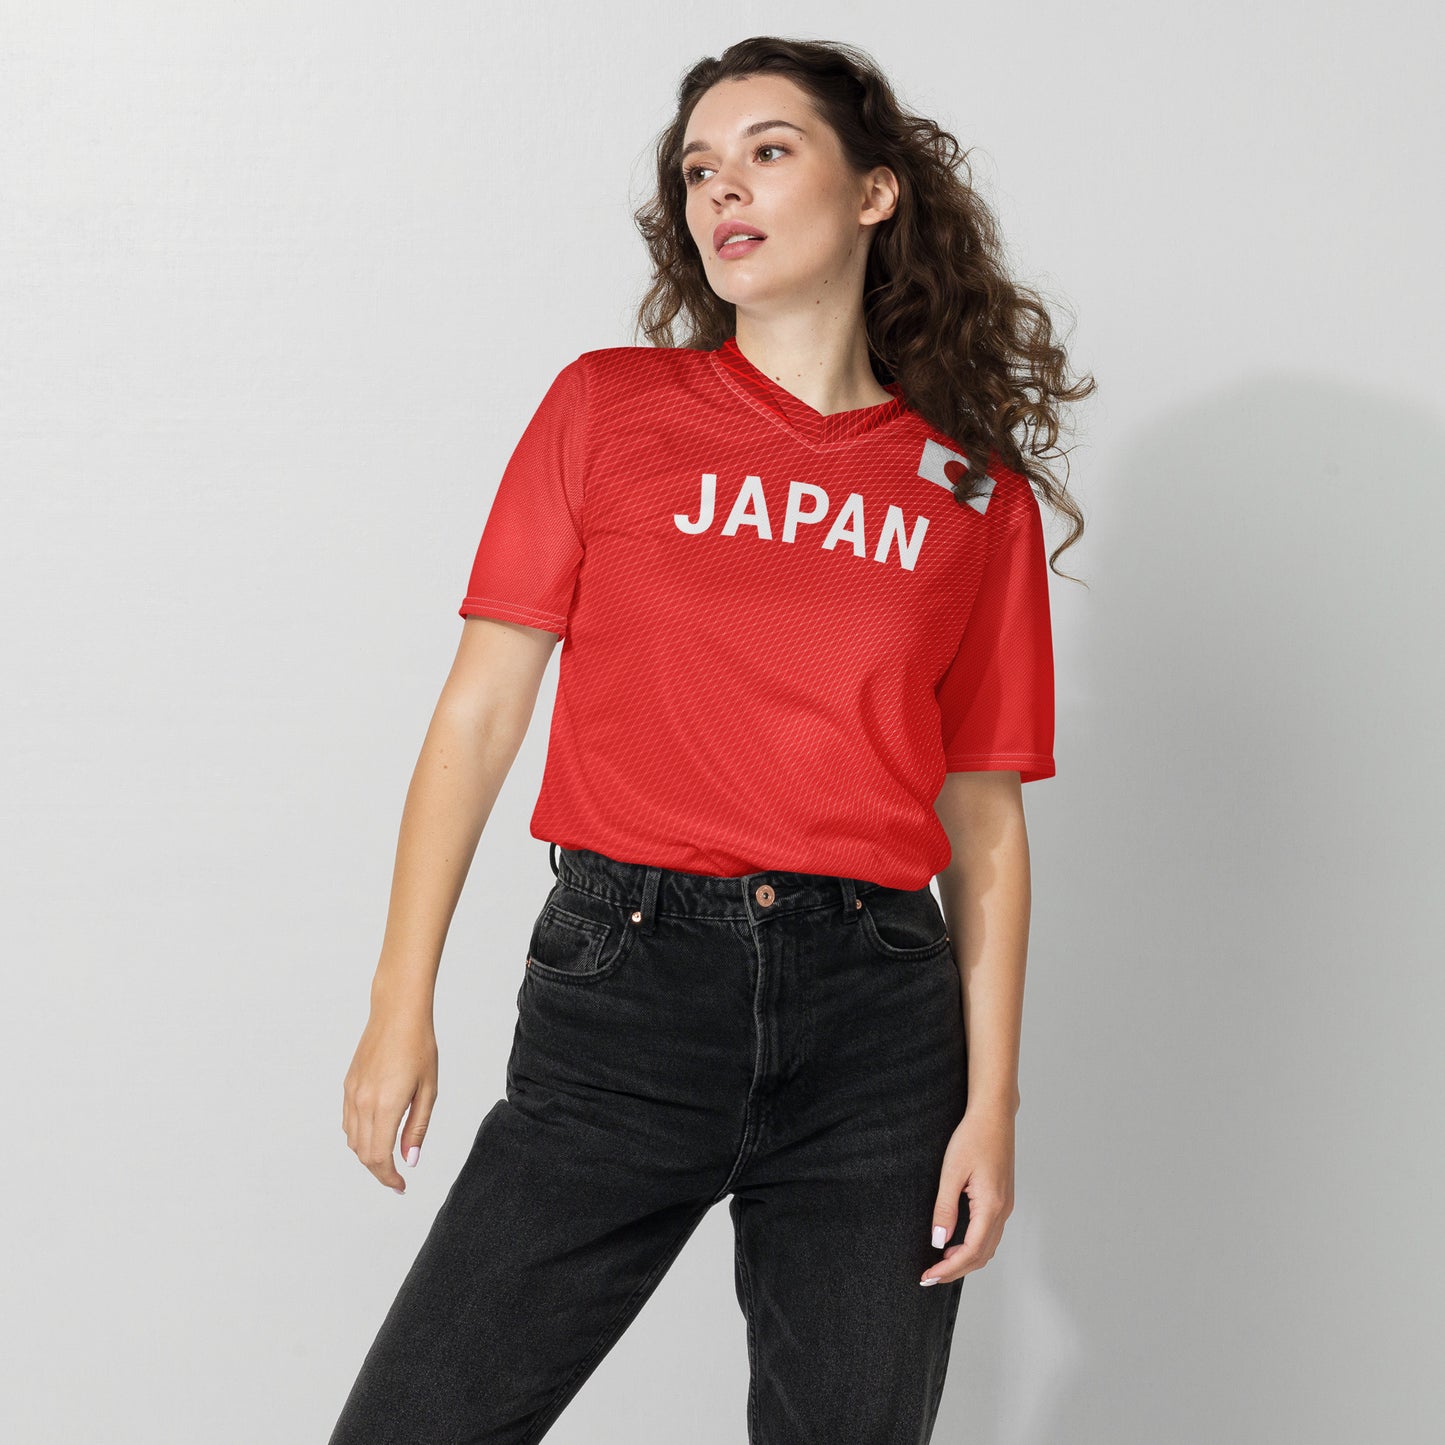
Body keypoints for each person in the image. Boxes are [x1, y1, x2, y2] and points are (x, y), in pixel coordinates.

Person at [328, 34, 1092, 1445]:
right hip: (627, 987)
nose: (720, 189)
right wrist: (399, 996)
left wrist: (990, 1102)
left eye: (767, 151)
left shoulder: (971, 494)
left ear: (874, 192)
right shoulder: (610, 408)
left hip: (877, 1028)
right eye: (696, 169)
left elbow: (982, 818)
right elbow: (480, 714)